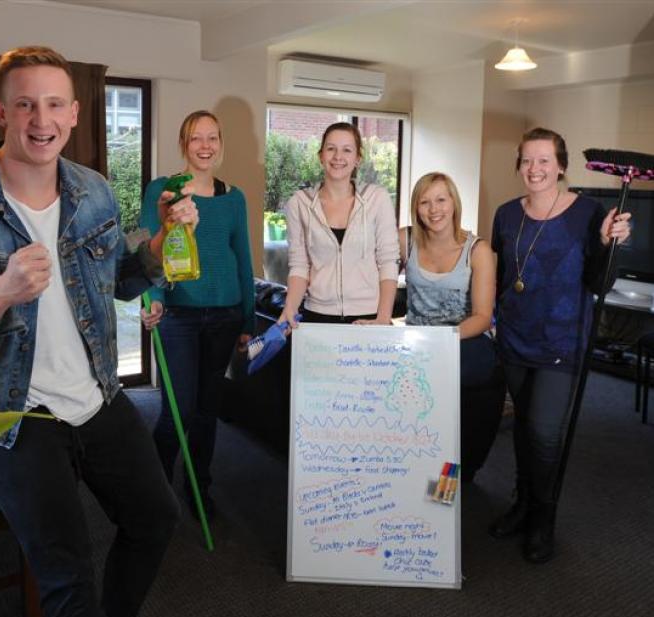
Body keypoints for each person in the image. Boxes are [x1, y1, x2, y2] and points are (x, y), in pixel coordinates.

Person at [0, 46, 199, 617]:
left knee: (156, 519)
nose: (40, 121)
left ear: (73, 114)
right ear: (2, 111)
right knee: (67, 574)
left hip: (95, 393)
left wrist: (162, 242)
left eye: (53, 105)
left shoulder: (93, 191)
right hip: (8, 413)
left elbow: (119, 279)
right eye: (25, 105)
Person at [487, 127, 631, 563]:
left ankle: (542, 519)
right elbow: (500, 277)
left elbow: (599, 283)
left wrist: (608, 244)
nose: (535, 169)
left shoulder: (590, 213)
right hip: (514, 337)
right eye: (527, 160)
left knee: (544, 433)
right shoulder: (506, 214)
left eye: (544, 160)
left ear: (561, 165)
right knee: (523, 432)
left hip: (561, 343)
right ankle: (522, 501)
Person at [138, 110, 255, 518]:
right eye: (196, 139)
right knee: (178, 411)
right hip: (178, 316)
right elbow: (143, 249)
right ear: (183, 145)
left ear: (221, 143)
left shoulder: (234, 197)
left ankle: (199, 488)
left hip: (225, 315)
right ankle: (152, 492)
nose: (205, 147)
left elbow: (243, 259)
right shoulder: (163, 191)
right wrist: (152, 297)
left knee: (207, 411)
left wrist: (249, 320)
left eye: (213, 138)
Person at [401, 172, 499, 480]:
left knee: (450, 417)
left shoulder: (478, 250)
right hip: (416, 344)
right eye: (424, 202)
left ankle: (449, 482)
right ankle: (411, 477)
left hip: (462, 341)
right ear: (415, 209)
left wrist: (442, 341)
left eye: (441, 199)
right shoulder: (404, 239)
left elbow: (483, 316)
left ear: (454, 203)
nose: (434, 209)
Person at [279, 122, 399, 327]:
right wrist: (289, 309)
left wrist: (383, 318)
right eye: (331, 149)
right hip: (317, 315)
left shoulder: (377, 199)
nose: (338, 157)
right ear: (321, 155)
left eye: (347, 150)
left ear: (357, 159)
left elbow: (388, 261)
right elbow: (299, 265)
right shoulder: (300, 203)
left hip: (369, 316)